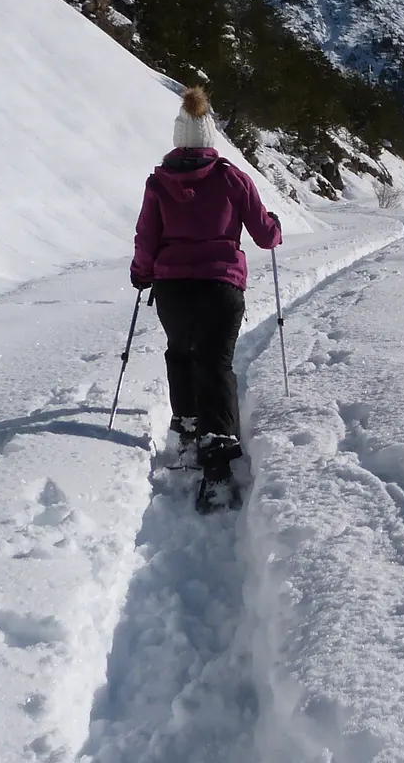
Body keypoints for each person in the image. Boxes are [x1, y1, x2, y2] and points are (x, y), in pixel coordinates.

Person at [130, 86, 282, 500]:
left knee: (180, 352)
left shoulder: (159, 182)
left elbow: (147, 236)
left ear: (179, 139)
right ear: (210, 137)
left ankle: (188, 432)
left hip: (173, 287)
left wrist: (142, 273)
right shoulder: (232, 177)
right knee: (215, 363)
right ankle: (217, 462)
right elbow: (264, 235)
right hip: (221, 286)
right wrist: (275, 225)